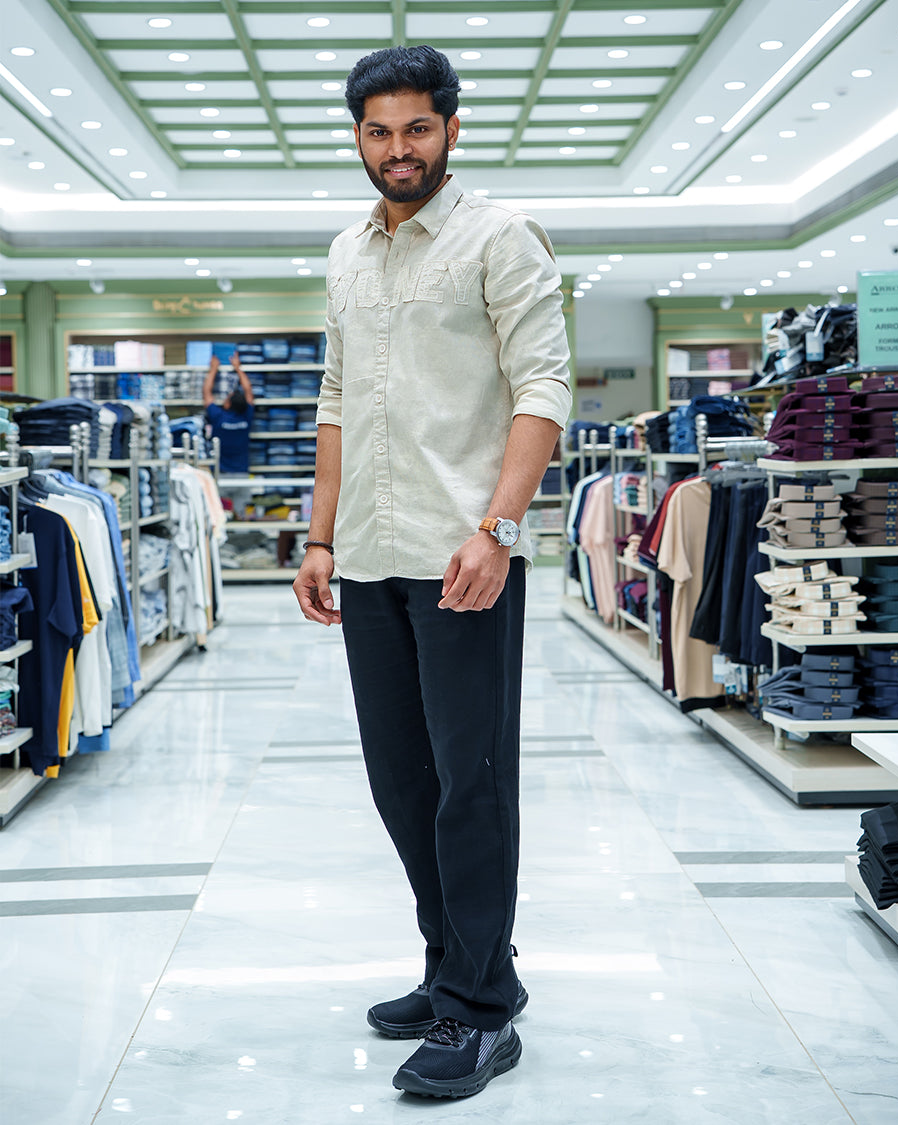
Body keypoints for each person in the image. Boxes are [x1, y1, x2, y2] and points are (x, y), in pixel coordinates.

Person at [292, 45, 572, 1100]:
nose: (395, 149)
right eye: (377, 130)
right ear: (357, 137)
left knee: (472, 785)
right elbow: (331, 401)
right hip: (367, 555)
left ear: (450, 130)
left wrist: (497, 531)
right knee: (402, 783)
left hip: (465, 560)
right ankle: (453, 965)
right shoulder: (346, 255)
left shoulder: (502, 240)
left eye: (415, 128)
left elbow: (542, 388)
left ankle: (481, 1012)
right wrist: (319, 538)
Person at [203, 351, 255, 474]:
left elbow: (206, 393)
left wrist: (213, 369)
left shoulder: (218, 416)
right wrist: (238, 368)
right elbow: (249, 391)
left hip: (220, 474)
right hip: (241, 474)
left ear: (228, 404)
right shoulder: (246, 417)